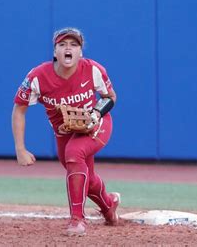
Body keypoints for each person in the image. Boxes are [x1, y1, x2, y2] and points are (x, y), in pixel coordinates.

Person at [12, 27, 119, 236]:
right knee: (81, 174)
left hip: (96, 125)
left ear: (80, 52)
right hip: (64, 132)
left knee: (74, 153)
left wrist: (96, 113)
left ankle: (77, 220)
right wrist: (20, 148)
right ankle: (109, 205)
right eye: (62, 45)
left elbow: (110, 97)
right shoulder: (37, 77)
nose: (68, 48)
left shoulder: (93, 69)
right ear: (55, 52)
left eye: (74, 45)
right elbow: (19, 110)